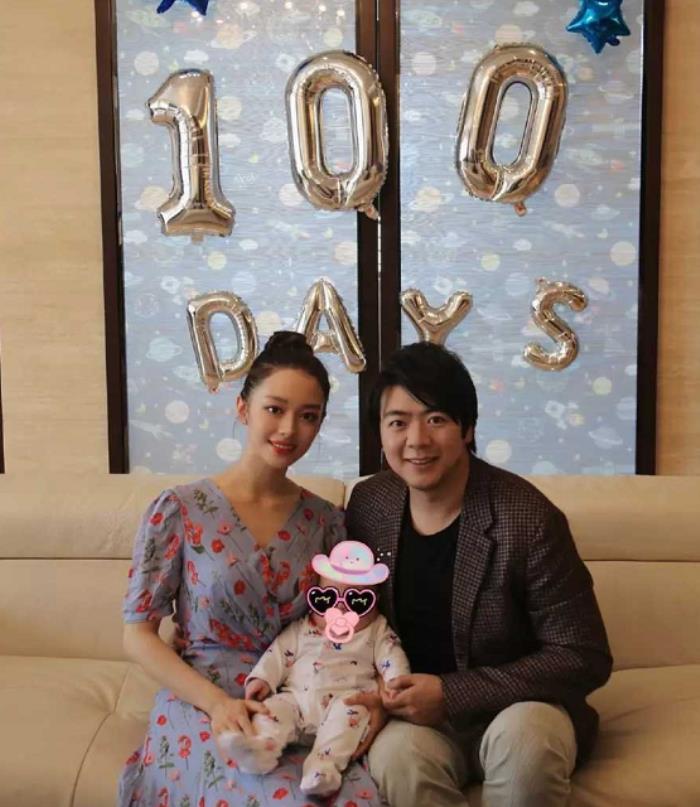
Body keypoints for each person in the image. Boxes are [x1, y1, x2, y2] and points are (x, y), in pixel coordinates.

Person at [118, 332, 383, 807]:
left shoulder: (326, 522)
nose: (289, 430)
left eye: (309, 416)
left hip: (300, 699)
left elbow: (347, 630)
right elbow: (137, 634)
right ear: (243, 409)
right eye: (274, 409)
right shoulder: (180, 509)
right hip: (204, 700)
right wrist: (217, 704)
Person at [345, 341, 613, 807]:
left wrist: (452, 693)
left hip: (525, 709)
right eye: (398, 422)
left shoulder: (527, 518)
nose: (417, 440)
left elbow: (582, 654)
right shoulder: (370, 505)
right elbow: (346, 618)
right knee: (397, 758)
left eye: (436, 419)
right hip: (420, 722)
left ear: (467, 428)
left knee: (525, 746)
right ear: (381, 434)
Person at [216, 540, 410, 797]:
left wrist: (396, 684)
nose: (339, 608)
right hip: (297, 700)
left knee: (347, 721)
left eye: (357, 601)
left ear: (375, 605)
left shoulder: (376, 630)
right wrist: (261, 680)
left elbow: (392, 656)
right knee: (271, 710)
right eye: (327, 599)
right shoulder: (302, 628)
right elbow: (278, 653)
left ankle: (322, 770)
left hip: (346, 700)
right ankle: (259, 748)